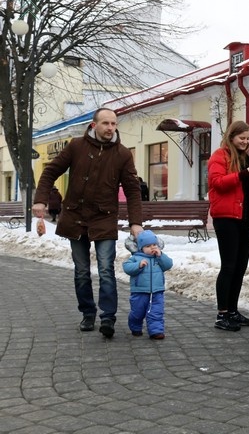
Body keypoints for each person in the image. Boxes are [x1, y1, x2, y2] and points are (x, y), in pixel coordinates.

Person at [32, 107, 144, 338]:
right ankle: (88, 312)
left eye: (114, 124)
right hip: (75, 218)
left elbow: (133, 190)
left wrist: (136, 222)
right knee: (82, 271)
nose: (110, 128)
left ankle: (108, 317)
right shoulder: (76, 146)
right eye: (106, 123)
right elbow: (50, 172)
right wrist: (41, 200)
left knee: (105, 269)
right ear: (94, 125)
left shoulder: (122, 154)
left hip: (104, 218)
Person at [208, 120, 249, 331]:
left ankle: (232, 310)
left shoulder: (244, 158)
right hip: (226, 218)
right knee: (229, 266)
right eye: (242, 138)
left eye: (248, 139)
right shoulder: (220, 156)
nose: (245, 142)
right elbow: (217, 183)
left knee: (240, 267)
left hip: (245, 216)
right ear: (232, 137)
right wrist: (245, 174)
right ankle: (221, 314)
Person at [123, 230, 173, 339]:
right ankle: (135, 327)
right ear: (141, 248)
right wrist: (138, 266)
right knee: (137, 312)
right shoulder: (136, 258)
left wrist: (161, 256)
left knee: (156, 312)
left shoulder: (159, 258)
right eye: (148, 246)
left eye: (154, 245)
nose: (152, 248)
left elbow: (168, 265)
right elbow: (126, 267)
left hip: (156, 292)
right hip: (139, 291)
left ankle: (156, 331)